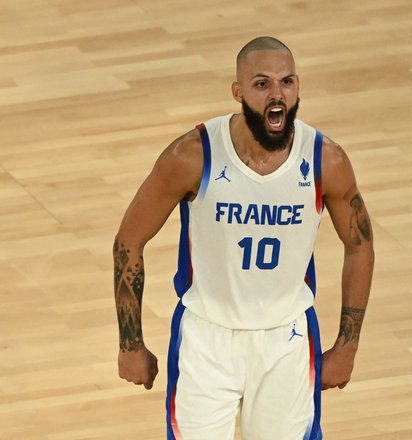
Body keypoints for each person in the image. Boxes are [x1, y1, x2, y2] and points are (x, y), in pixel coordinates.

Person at [113, 36, 374, 440]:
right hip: (207, 338)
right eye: (262, 84)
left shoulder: (325, 160)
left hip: (286, 340)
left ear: (298, 86)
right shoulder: (193, 155)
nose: (277, 95)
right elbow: (129, 240)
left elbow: (360, 245)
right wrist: (131, 343)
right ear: (238, 91)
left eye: (287, 82)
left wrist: (347, 345)